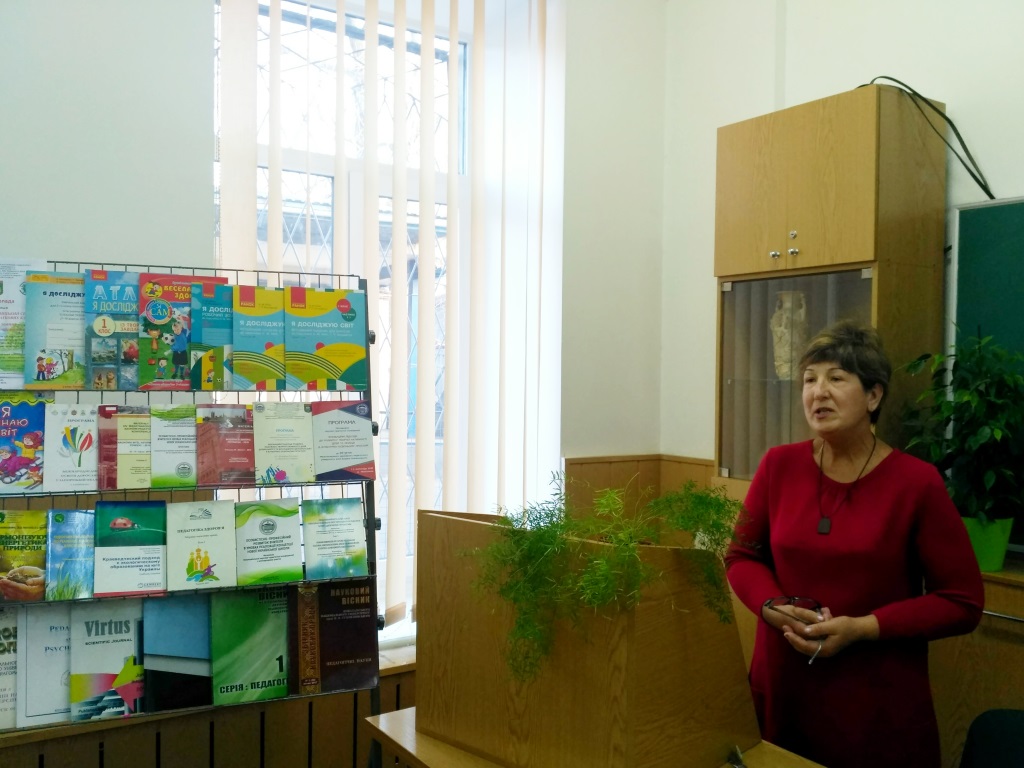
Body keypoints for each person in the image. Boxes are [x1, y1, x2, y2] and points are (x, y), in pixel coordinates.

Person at [725, 319, 984, 768]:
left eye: (836, 378)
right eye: (809, 380)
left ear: (874, 396)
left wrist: (864, 627)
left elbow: (962, 601)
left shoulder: (916, 483)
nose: (818, 392)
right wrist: (770, 605)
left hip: (875, 702)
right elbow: (742, 556)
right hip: (785, 685)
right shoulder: (778, 465)